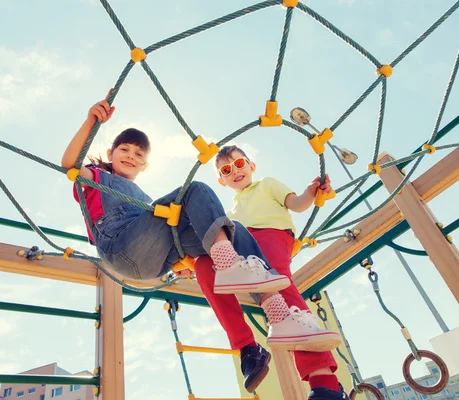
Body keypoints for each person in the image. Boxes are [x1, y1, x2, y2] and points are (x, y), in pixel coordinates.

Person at [61, 92, 337, 383]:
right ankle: (234, 269)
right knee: (195, 190)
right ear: (111, 154)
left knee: (232, 232)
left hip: (151, 261)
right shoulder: (97, 177)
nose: (131, 156)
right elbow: (69, 164)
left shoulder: (144, 199)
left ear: (146, 166)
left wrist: (189, 264)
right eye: (125, 150)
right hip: (120, 245)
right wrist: (92, 121)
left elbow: (175, 244)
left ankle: (278, 318)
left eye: (139, 155)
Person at [192, 145, 347, 400]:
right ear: (222, 180)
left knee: (280, 287)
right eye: (227, 170)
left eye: (240, 164)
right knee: (204, 268)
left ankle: (325, 382)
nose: (236, 171)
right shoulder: (228, 213)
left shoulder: (266, 185)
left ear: (251, 165)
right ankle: (247, 348)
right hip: (242, 249)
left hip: (270, 235)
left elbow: (297, 204)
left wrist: (311, 192)